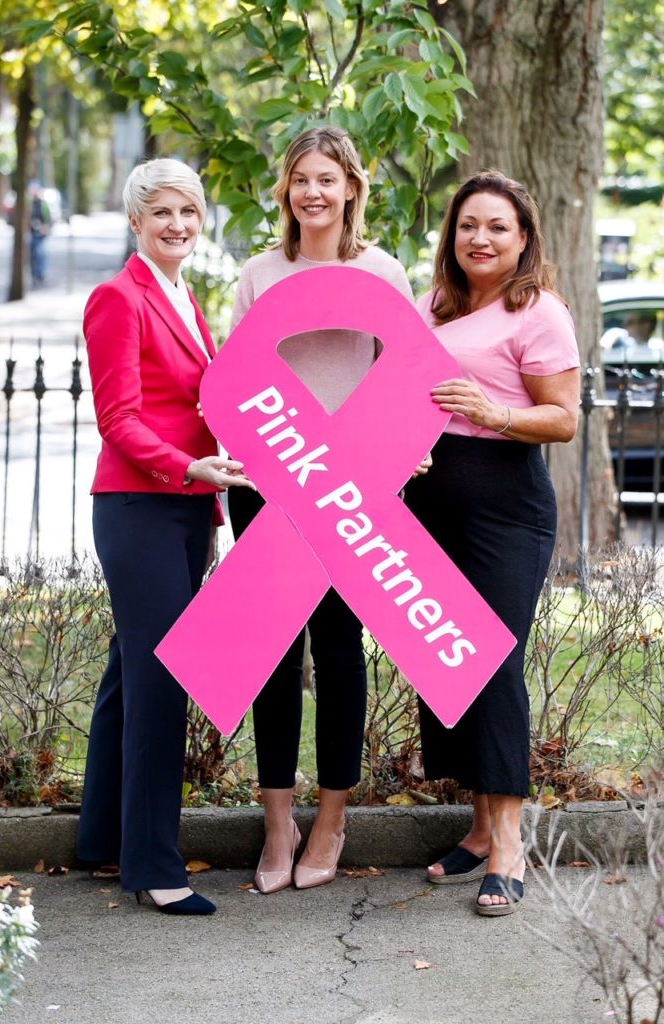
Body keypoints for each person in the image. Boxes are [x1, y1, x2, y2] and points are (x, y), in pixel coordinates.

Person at [228, 126, 425, 894]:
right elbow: (239, 378)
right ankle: (277, 823)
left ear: (351, 187)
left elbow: (402, 376)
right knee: (273, 657)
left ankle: (332, 819)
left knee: (339, 655)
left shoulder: (382, 272)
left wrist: (393, 459)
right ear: (285, 190)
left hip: (352, 489)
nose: (312, 192)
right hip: (270, 487)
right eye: (299, 179)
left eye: (326, 178)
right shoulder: (257, 274)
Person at [77, 158, 254, 916]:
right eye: (162, 214)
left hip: (186, 506)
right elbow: (118, 420)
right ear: (136, 222)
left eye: (188, 210)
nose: (178, 224)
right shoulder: (118, 298)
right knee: (160, 683)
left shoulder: (183, 294)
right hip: (140, 506)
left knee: (129, 674)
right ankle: (153, 866)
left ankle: (102, 840)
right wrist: (188, 467)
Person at [403, 169, 580, 916]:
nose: (480, 238)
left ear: (522, 239)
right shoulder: (433, 306)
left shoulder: (536, 310)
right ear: (452, 235)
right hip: (429, 505)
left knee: (494, 660)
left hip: (504, 507)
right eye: (468, 225)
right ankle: (476, 828)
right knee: (449, 662)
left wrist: (495, 411)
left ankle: (508, 842)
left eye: (497, 227)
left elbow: (564, 417)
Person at [28, 181, 51, 285]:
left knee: (40, 254)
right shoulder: (29, 203)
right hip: (31, 232)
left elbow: (48, 219)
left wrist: (45, 228)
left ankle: (41, 274)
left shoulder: (43, 204)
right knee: (32, 255)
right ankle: (34, 274)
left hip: (40, 233)